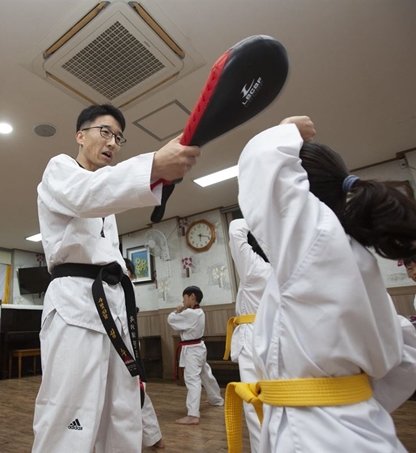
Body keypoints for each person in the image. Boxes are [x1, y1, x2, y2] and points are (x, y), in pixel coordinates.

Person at [229, 116, 416, 452]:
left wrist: (285, 132)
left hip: (317, 436)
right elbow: (404, 357)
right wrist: (350, 401)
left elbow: (263, 170)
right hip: (358, 427)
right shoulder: (354, 256)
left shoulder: (316, 242)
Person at [32, 104, 201, 453]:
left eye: (119, 137)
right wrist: (153, 166)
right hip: (75, 303)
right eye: (104, 132)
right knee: (70, 410)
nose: (113, 142)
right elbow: (86, 195)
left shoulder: (107, 203)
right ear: (80, 135)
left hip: (112, 304)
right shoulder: (60, 170)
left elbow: (101, 197)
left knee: (121, 407)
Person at [225, 219, 272, 451]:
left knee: (255, 403)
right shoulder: (278, 269)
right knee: (272, 401)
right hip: (273, 335)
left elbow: (235, 229)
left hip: (255, 339)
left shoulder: (256, 268)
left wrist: (260, 218)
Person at [167, 285, 224, 425]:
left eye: (184, 298)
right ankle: (216, 399)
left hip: (192, 350)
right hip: (199, 347)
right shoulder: (199, 312)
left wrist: (177, 310)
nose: (183, 301)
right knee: (205, 374)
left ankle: (193, 414)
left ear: (192, 297)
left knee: (192, 380)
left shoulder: (189, 313)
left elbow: (171, 320)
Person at [124, 258, 165, 449]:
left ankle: (154, 436)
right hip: (109, 344)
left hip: (127, 346)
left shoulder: (128, 288)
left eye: (127, 274)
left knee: (137, 392)